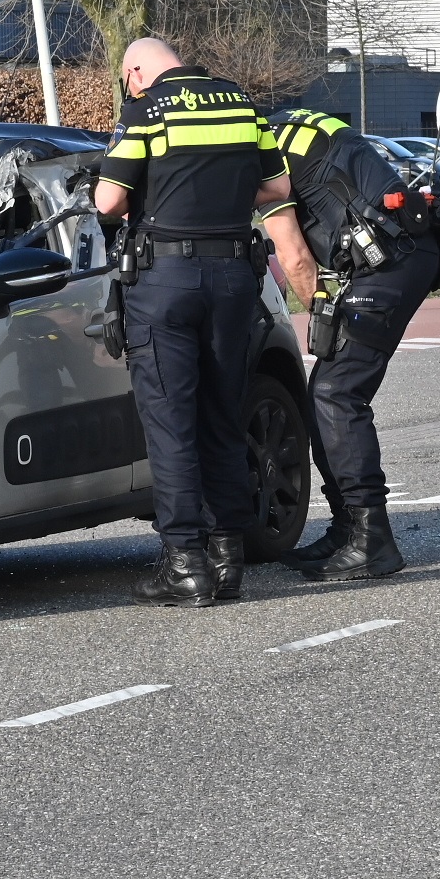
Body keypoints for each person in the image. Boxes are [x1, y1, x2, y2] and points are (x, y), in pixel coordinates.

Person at [94, 38, 291, 608]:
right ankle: (227, 557)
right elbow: (276, 188)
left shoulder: (146, 111)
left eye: (127, 79)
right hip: (234, 279)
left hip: (166, 283)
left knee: (171, 421)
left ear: (137, 71)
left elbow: (109, 201)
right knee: (222, 415)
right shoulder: (243, 104)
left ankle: (184, 562)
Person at [260, 109, 440, 580]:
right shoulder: (298, 124)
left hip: (389, 263)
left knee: (337, 392)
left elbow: (294, 259)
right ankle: (346, 527)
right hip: (408, 246)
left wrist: (318, 309)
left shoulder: (261, 155)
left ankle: (371, 539)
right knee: (324, 394)